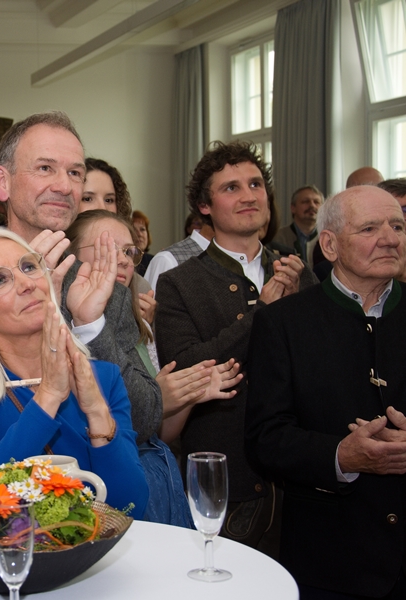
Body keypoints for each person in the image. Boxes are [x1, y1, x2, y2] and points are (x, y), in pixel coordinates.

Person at [0, 112, 162, 444]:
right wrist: (26, 293)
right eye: (45, 168)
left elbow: (145, 421)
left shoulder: (97, 281)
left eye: (74, 173)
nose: (63, 185)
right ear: (2, 182)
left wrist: (89, 327)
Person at [155, 141, 317, 555]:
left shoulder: (297, 272)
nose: (248, 195)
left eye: (256, 184)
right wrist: (261, 312)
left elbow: (322, 367)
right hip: (230, 482)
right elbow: (190, 370)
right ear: (204, 206)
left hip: (301, 480)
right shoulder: (180, 282)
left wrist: (303, 304)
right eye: (230, 188)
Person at [246, 185, 406, 599]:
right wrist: (340, 455)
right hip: (332, 562)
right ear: (330, 245)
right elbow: (265, 438)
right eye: (370, 228)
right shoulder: (283, 323)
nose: (390, 238)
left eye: (397, 226)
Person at [0, 227, 149, 518]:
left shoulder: (103, 377)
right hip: (9, 555)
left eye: (29, 266)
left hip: (91, 552)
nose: (26, 284)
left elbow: (130, 504)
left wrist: (96, 409)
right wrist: (49, 397)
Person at [66, 209, 241, 443]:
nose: (123, 259)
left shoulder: (142, 328)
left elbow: (160, 435)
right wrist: (155, 398)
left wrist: (187, 394)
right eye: (107, 248)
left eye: (129, 251)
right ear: (71, 258)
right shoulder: (65, 328)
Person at [272, 185, 323, 267]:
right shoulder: (277, 238)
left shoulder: (329, 239)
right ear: (293, 208)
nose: (312, 206)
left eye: (316, 202)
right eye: (305, 202)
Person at [131, 210, 153, 276]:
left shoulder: (153, 261)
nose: (139, 234)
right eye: (134, 230)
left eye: (142, 229)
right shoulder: (123, 261)